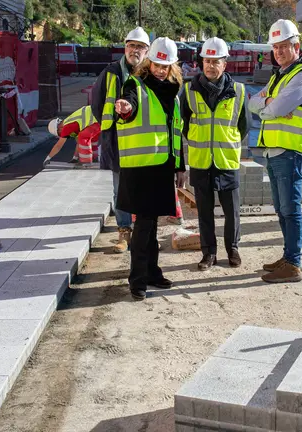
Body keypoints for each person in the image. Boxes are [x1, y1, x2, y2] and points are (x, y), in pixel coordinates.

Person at [113, 37, 186, 301]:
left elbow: (175, 133)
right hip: (141, 168)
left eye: (165, 66)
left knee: (153, 225)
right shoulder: (135, 84)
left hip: (162, 167)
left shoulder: (173, 92)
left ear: (172, 67)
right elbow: (128, 103)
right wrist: (125, 108)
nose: (160, 70)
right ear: (149, 62)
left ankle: (153, 272)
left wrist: (180, 167)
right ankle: (138, 280)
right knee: (143, 227)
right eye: (156, 64)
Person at [249, 19, 302, 283]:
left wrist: (270, 105)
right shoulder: (280, 75)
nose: (278, 52)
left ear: (296, 46)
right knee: (281, 208)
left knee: (290, 209)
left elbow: (273, 110)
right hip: (275, 151)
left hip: (292, 151)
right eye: (275, 47)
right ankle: (288, 256)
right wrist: (270, 103)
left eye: (284, 46)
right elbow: (254, 103)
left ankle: (293, 263)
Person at [180, 37, 251, 270]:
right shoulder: (189, 90)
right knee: (204, 213)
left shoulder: (239, 91)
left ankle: (233, 249)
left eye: (215, 61)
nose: (210, 65)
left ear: (225, 64)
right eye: (206, 60)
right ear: (201, 62)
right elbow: (184, 123)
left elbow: (244, 126)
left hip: (227, 160)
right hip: (201, 161)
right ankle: (208, 253)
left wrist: (226, 142)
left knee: (232, 211)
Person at [91, 27, 150, 254]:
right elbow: (97, 105)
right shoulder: (110, 73)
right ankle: (124, 231)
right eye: (131, 46)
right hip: (118, 141)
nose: (135, 50)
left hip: (144, 142)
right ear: (125, 47)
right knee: (120, 190)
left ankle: (144, 231)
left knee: (144, 188)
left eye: (140, 47)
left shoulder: (150, 74)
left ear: (147, 51)